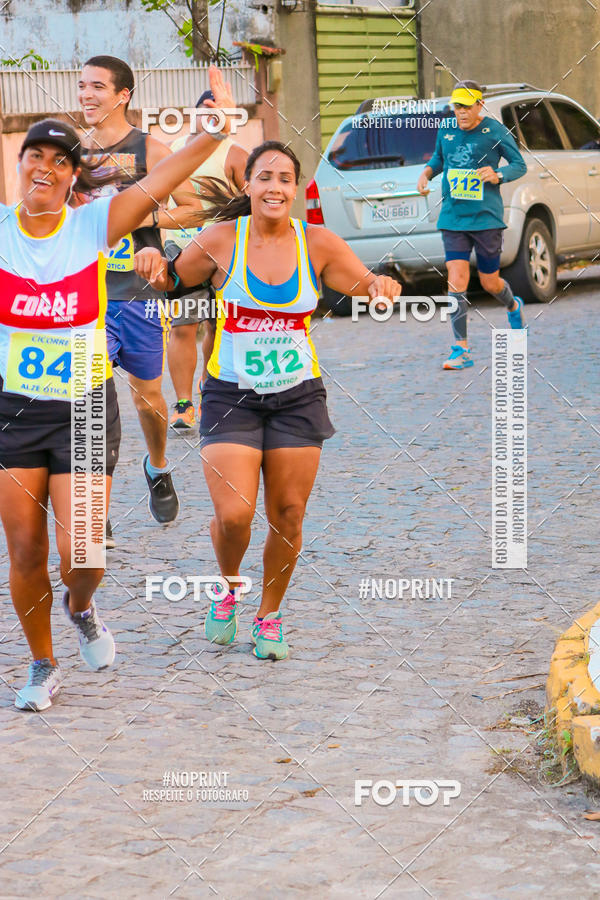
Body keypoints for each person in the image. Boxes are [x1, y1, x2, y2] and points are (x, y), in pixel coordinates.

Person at [0, 69, 238, 710]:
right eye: (35, 157)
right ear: (20, 166)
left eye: (60, 160)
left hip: (81, 407)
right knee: (24, 549)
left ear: (74, 177)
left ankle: (80, 606)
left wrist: (208, 132)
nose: (46, 168)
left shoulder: (93, 227)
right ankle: (43, 665)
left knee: (84, 552)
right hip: (15, 411)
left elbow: (163, 178)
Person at [136, 140, 401, 661]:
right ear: (249, 186)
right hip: (232, 395)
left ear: (295, 189)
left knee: (289, 513)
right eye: (264, 177)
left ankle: (270, 614)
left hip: (298, 398)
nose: (274, 186)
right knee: (235, 515)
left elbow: (366, 283)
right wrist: (152, 259)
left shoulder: (318, 243)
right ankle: (230, 586)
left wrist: (382, 286)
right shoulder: (220, 240)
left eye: (285, 178)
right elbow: (171, 280)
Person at [77, 55, 199, 524]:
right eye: (82, 86)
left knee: (147, 399)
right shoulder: (71, 153)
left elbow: (193, 207)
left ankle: (158, 466)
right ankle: (93, 507)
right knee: (87, 398)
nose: (86, 95)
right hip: (88, 296)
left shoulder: (151, 149)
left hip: (140, 294)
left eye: (97, 87)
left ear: (122, 95)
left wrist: (142, 217)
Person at [416, 80, 528, 370]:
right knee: (456, 278)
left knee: (490, 282)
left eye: (467, 106)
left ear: (480, 105)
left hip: (486, 218)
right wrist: (426, 174)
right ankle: (461, 349)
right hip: (453, 217)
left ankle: (513, 305)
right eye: (457, 106)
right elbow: (440, 159)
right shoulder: (447, 129)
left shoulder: (495, 131)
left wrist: (497, 174)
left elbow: (519, 165)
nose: (462, 112)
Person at [166, 89, 248, 432]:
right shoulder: (172, 151)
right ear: (194, 113)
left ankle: (209, 385)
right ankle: (183, 404)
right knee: (184, 325)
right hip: (181, 250)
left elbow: (252, 201)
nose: (209, 116)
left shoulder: (235, 154)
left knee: (218, 325)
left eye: (217, 110)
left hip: (222, 254)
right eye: (204, 110)